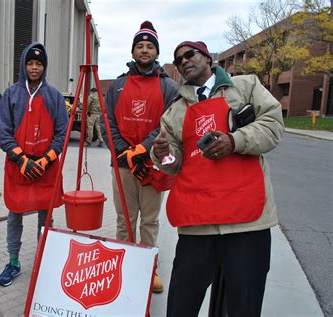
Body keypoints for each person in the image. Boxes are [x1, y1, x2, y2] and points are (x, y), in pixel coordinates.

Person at [151, 41, 284, 316]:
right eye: (178, 60)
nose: (185, 61)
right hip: (197, 223)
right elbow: (172, 165)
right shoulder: (174, 110)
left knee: (243, 305)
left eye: (190, 54)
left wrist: (235, 140)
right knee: (181, 304)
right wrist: (161, 154)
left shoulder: (245, 86)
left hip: (246, 221)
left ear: (208, 58)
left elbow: (272, 125)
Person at [103, 21, 178, 293]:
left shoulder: (168, 86)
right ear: (133, 51)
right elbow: (107, 120)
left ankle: (149, 269)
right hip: (122, 164)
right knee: (124, 219)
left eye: (149, 46)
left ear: (156, 53)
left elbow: (167, 124)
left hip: (151, 165)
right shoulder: (118, 85)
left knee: (149, 220)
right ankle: (123, 265)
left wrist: (142, 149)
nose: (144, 50)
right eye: (140, 46)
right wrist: (122, 151)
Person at [0, 42, 69, 287]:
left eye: (39, 64)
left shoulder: (54, 96)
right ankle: (13, 261)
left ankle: (44, 259)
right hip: (18, 166)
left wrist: (47, 159)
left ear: (44, 67)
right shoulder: (11, 94)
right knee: (14, 215)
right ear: (23, 65)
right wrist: (22, 159)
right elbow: (3, 134)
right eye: (30, 63)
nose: (34, 67)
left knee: (45, 218)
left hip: (46, 168)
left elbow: (62, 133)